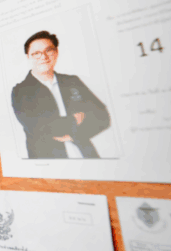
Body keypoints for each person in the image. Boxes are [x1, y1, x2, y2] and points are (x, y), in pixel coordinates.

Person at [11, 31, 110, 159]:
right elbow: (37, 127)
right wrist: (74, 120)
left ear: (56, 52)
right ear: (28, 57)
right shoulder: (20, 91)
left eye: (49, 50)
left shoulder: (72, 81)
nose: (43, 57)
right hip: (48, 161)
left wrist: (74, 134)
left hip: (87, 155)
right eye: (36, 53)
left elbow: (103, 117)